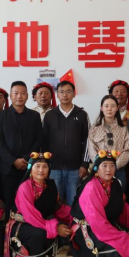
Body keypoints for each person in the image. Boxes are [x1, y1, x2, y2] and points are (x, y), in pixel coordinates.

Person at [4, 152, 72, 257]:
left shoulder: (50, 186)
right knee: (39, 234)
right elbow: (30, 215)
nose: (41, 170)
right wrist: (55, 228)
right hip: (22, 224)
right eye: (37, 166)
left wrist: (76, 215)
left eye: (45, 166)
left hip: (39, 224)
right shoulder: (25, 187)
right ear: (31, 169)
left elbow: (57, 208)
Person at [0, 81, 43, 215]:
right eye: (16, 93)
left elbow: (38, 139)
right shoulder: (1, 116)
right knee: (9, 203)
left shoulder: (34, 116)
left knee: (28, 202)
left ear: (27, 96)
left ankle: (27, 226)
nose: (19, 96)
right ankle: (9, 227)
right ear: (10, 96)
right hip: (7, 168)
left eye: (22, 93)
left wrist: (26, 159)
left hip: (28, 167)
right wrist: (13, 161)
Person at [43, 80, 90, 208]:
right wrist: (46, 164)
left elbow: (87, 140)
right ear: (57, 95)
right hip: (54, 167)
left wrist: (84, 164)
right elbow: (44, 141)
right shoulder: (49, 115)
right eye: (61, 92)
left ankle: (73, 221)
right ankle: (56, 221)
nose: (65, 95)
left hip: (75, 168)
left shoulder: (82, 115)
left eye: (68, 92)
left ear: (74, 94)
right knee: (55, 202)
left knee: (74, 202)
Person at [87, 95, 129, 186]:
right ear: (101, 108)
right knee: (99, 193)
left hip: (118, 170)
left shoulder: (123, 129)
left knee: (118, 193)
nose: (109, 109)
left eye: (112, 106)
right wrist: (102, 165)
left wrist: (114, 166)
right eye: (106, 106)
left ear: (117, 108)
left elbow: (128, 149)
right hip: (99, 170)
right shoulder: (94, 129)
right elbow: (91, 149)